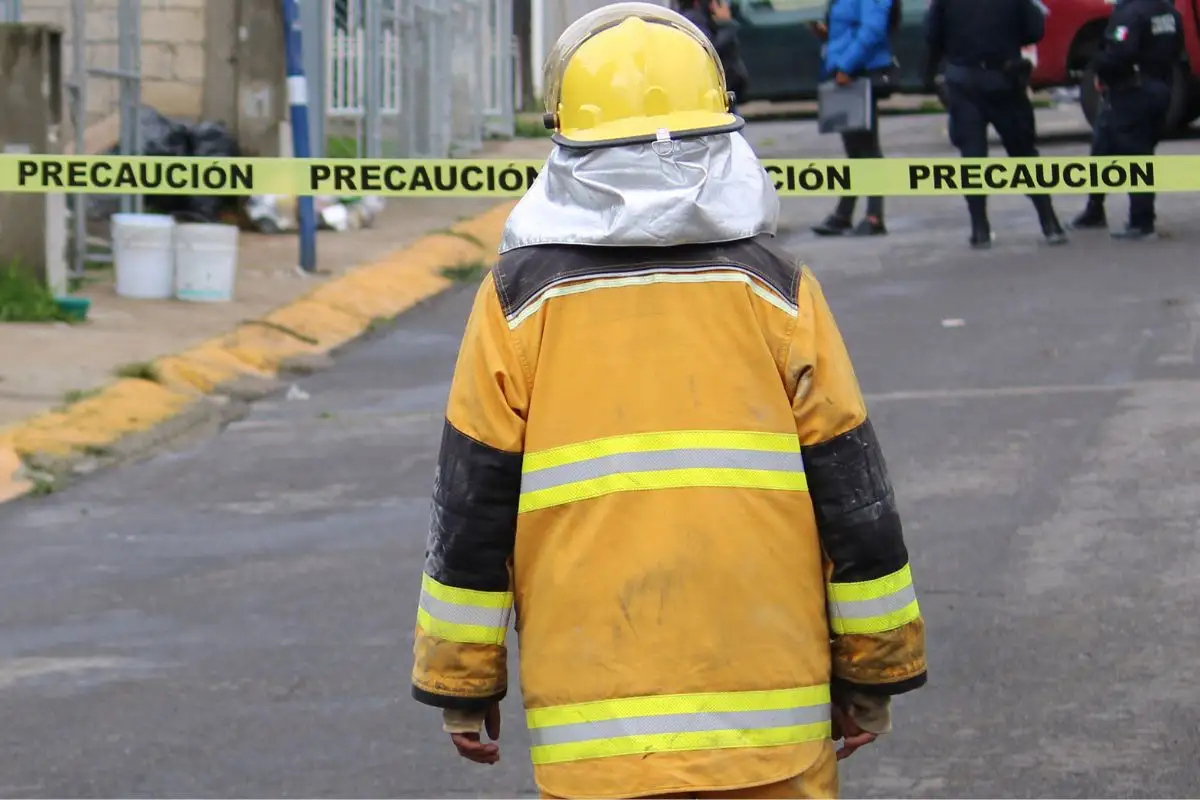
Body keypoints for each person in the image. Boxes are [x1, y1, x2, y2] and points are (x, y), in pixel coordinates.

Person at [409, 4, 929, 799]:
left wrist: (462, 682)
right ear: (722, 137)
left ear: (565, 141)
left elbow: (473, 501)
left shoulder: (517, 303)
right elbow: (853, 494)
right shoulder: (778, 290)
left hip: (597, 747)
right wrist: (874, 670)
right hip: (771, 735)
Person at [924, 0, 1068, 249]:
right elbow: (1035, 29)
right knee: (1024, 153)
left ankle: (980, 229)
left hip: (965, 80)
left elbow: (931, 34)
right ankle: (1049, 222)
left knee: (973, 158)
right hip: (1005, 79)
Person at [1071, 0, 1183, 240]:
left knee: (1136, 156)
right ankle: (1095, 209)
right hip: (1158, 88)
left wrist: (1094, 66)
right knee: (1103, 146)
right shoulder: (1169, 12)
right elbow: (1177, 50)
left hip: (1132, 92)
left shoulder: (1131, 13)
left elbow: (1119, 53)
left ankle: (1142, 222)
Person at [810, 0, 900, 238]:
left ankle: (873, 215)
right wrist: (828, 35)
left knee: (867, 147)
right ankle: (844, 213)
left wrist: (846, 66)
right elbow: (849, 27)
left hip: (857, 73)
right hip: (843, 70)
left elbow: (872, 29)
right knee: (854, 148)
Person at [676, 0, 750, 113]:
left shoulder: (705, 18)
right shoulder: (693, 20)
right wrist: (726, 24)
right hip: (712, 95)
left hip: (721, 93)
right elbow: (708, 50)